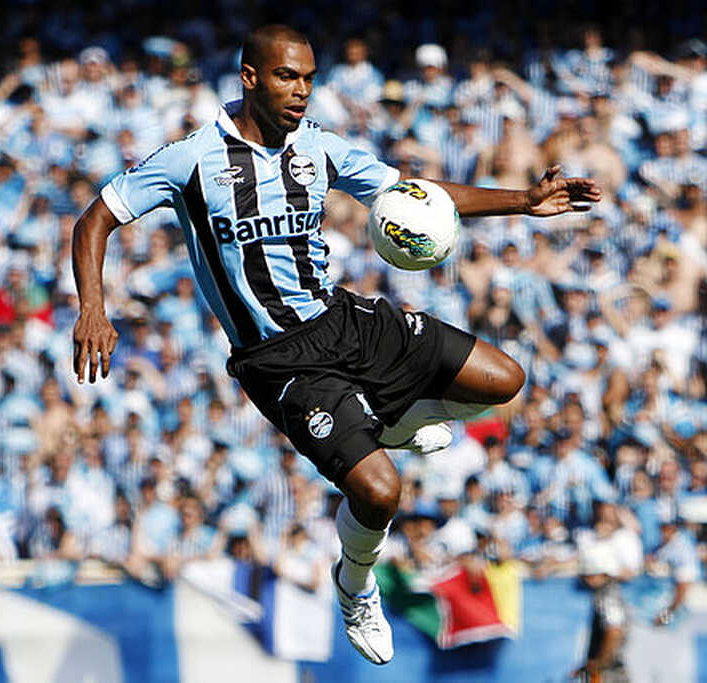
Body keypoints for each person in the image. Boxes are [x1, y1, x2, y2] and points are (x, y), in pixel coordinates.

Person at [71, 24, 600, 664]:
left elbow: (412, 195)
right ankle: (354, 584)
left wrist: (524, 201)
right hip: (278, 360)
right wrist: (93, 309)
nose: (301, 91)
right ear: (250, 78)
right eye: (287, 77)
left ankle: (398, 422)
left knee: (504, 380)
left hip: (344, 320)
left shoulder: (317, 147)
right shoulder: (192, 159)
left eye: (309, 78)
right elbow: (96, 217)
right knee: (379, 491)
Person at [573, 541, 629, 682]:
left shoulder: (608, 595)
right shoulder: (606, 593)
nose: (586, 580)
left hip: (611, 672)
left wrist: (600, 663)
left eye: (590, 574)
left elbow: (614, 631)